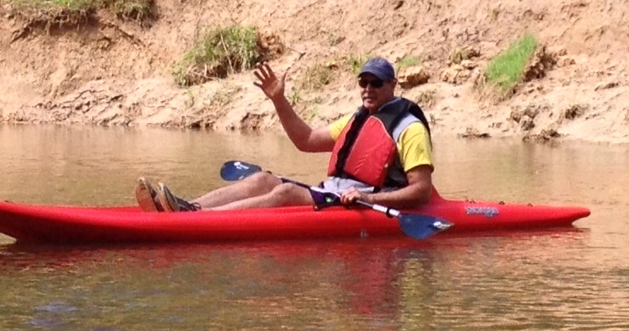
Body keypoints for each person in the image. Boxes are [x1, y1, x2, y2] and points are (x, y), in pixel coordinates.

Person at [135, 56, 435, 213]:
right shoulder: (356, 120)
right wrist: (279, 99)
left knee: (287, 193)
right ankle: (189, 207)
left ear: (393, 85)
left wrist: (366, 198)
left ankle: (194, 222)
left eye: (376, 83)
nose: (368, 88)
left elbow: (420, 191)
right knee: (263, 179)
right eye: (363, 82)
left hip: (364, 203)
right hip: (335, 193)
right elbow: (305, 141)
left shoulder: (409, 129)